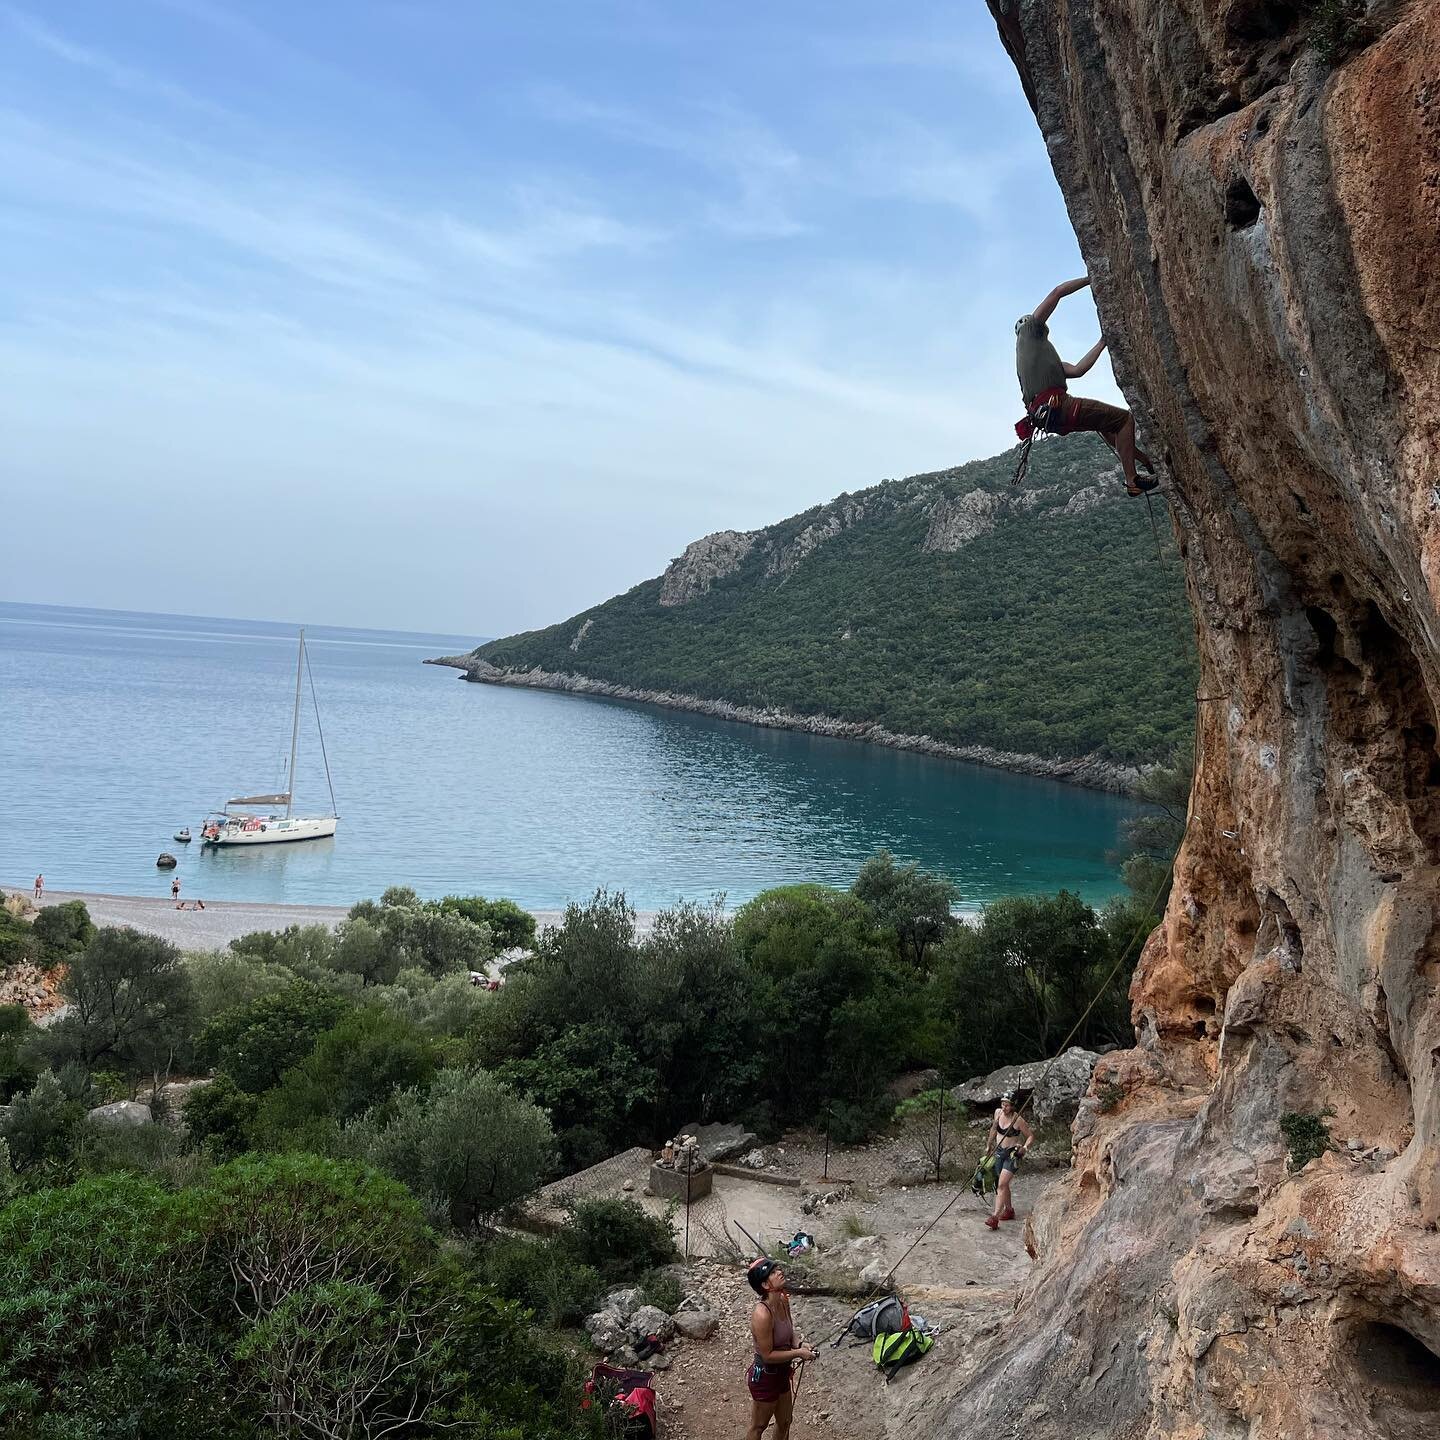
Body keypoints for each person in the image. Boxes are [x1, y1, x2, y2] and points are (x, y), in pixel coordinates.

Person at [1014, 276, 1159, 496]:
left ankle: (1144, 461)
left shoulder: (1037, 363)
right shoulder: (1029, 332)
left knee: (1107, 424)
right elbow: (1057, 293)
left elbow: (1078, 369)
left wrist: (1102, 342)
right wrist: (1092, 278)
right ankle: (1132, 480)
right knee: (1124, 419)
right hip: (1059, 406)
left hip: (1050, 417)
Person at [745, 1258, 817, 1440]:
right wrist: (799, 1353)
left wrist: (800, 1344)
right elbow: (767, 1355)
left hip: (782, 1372)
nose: (779, 1272)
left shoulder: (783, 1300)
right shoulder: (762, 1314)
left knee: (785, 1421)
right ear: (764, 1284)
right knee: (759, 1426)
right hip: (766, 1376)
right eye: (772, 1272)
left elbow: (790, 1332)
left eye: (777, 1268)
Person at [983, 1090, 1034, 1230]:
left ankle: (994, 1217)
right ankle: (1009, 1210)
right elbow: (994, 1129)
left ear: (1012, 1106)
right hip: (999, 1153)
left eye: (1007, 1105)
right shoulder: (998, 1113)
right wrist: (989, 1144)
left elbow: (1030, 1136)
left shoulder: (1017, 1120)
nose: (1004, 1107)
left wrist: (1025, 1147)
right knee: (1003, 1185)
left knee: (1001, 1185)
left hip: (1012, 1155)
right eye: (1003, 1104)